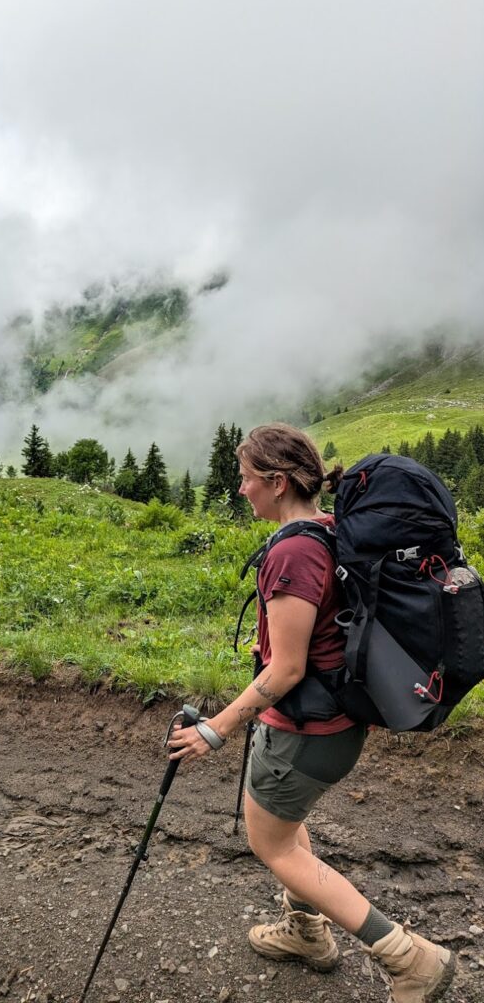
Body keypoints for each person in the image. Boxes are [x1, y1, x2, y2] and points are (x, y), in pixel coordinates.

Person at [167, 424, 455, 1003]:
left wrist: (215, 730)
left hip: (303, 731)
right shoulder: (328, 532)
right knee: (287, 831)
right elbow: (325, 629)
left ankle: (408, 958)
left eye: (247, 479)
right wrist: (273, 646)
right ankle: (305, 935)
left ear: (275, 482)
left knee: (273, 846)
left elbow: (287, 672)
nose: (241, 489)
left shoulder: (291, 551)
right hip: (335, 724)